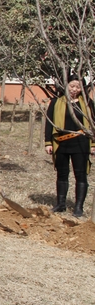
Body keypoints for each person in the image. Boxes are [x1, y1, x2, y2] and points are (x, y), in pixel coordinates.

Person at [45, 76, 93, 217]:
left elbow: (93, 124)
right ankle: (60, 204)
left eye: (78, 87)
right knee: (62, 174)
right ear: (66, 86)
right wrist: (48, 142)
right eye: (72, 86)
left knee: (81, 175)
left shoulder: (88, 104)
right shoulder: (56, 102)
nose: (74, 89)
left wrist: (93, 144)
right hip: (61, 142)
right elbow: (49, 124)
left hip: (81, 143)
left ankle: (79, 207)